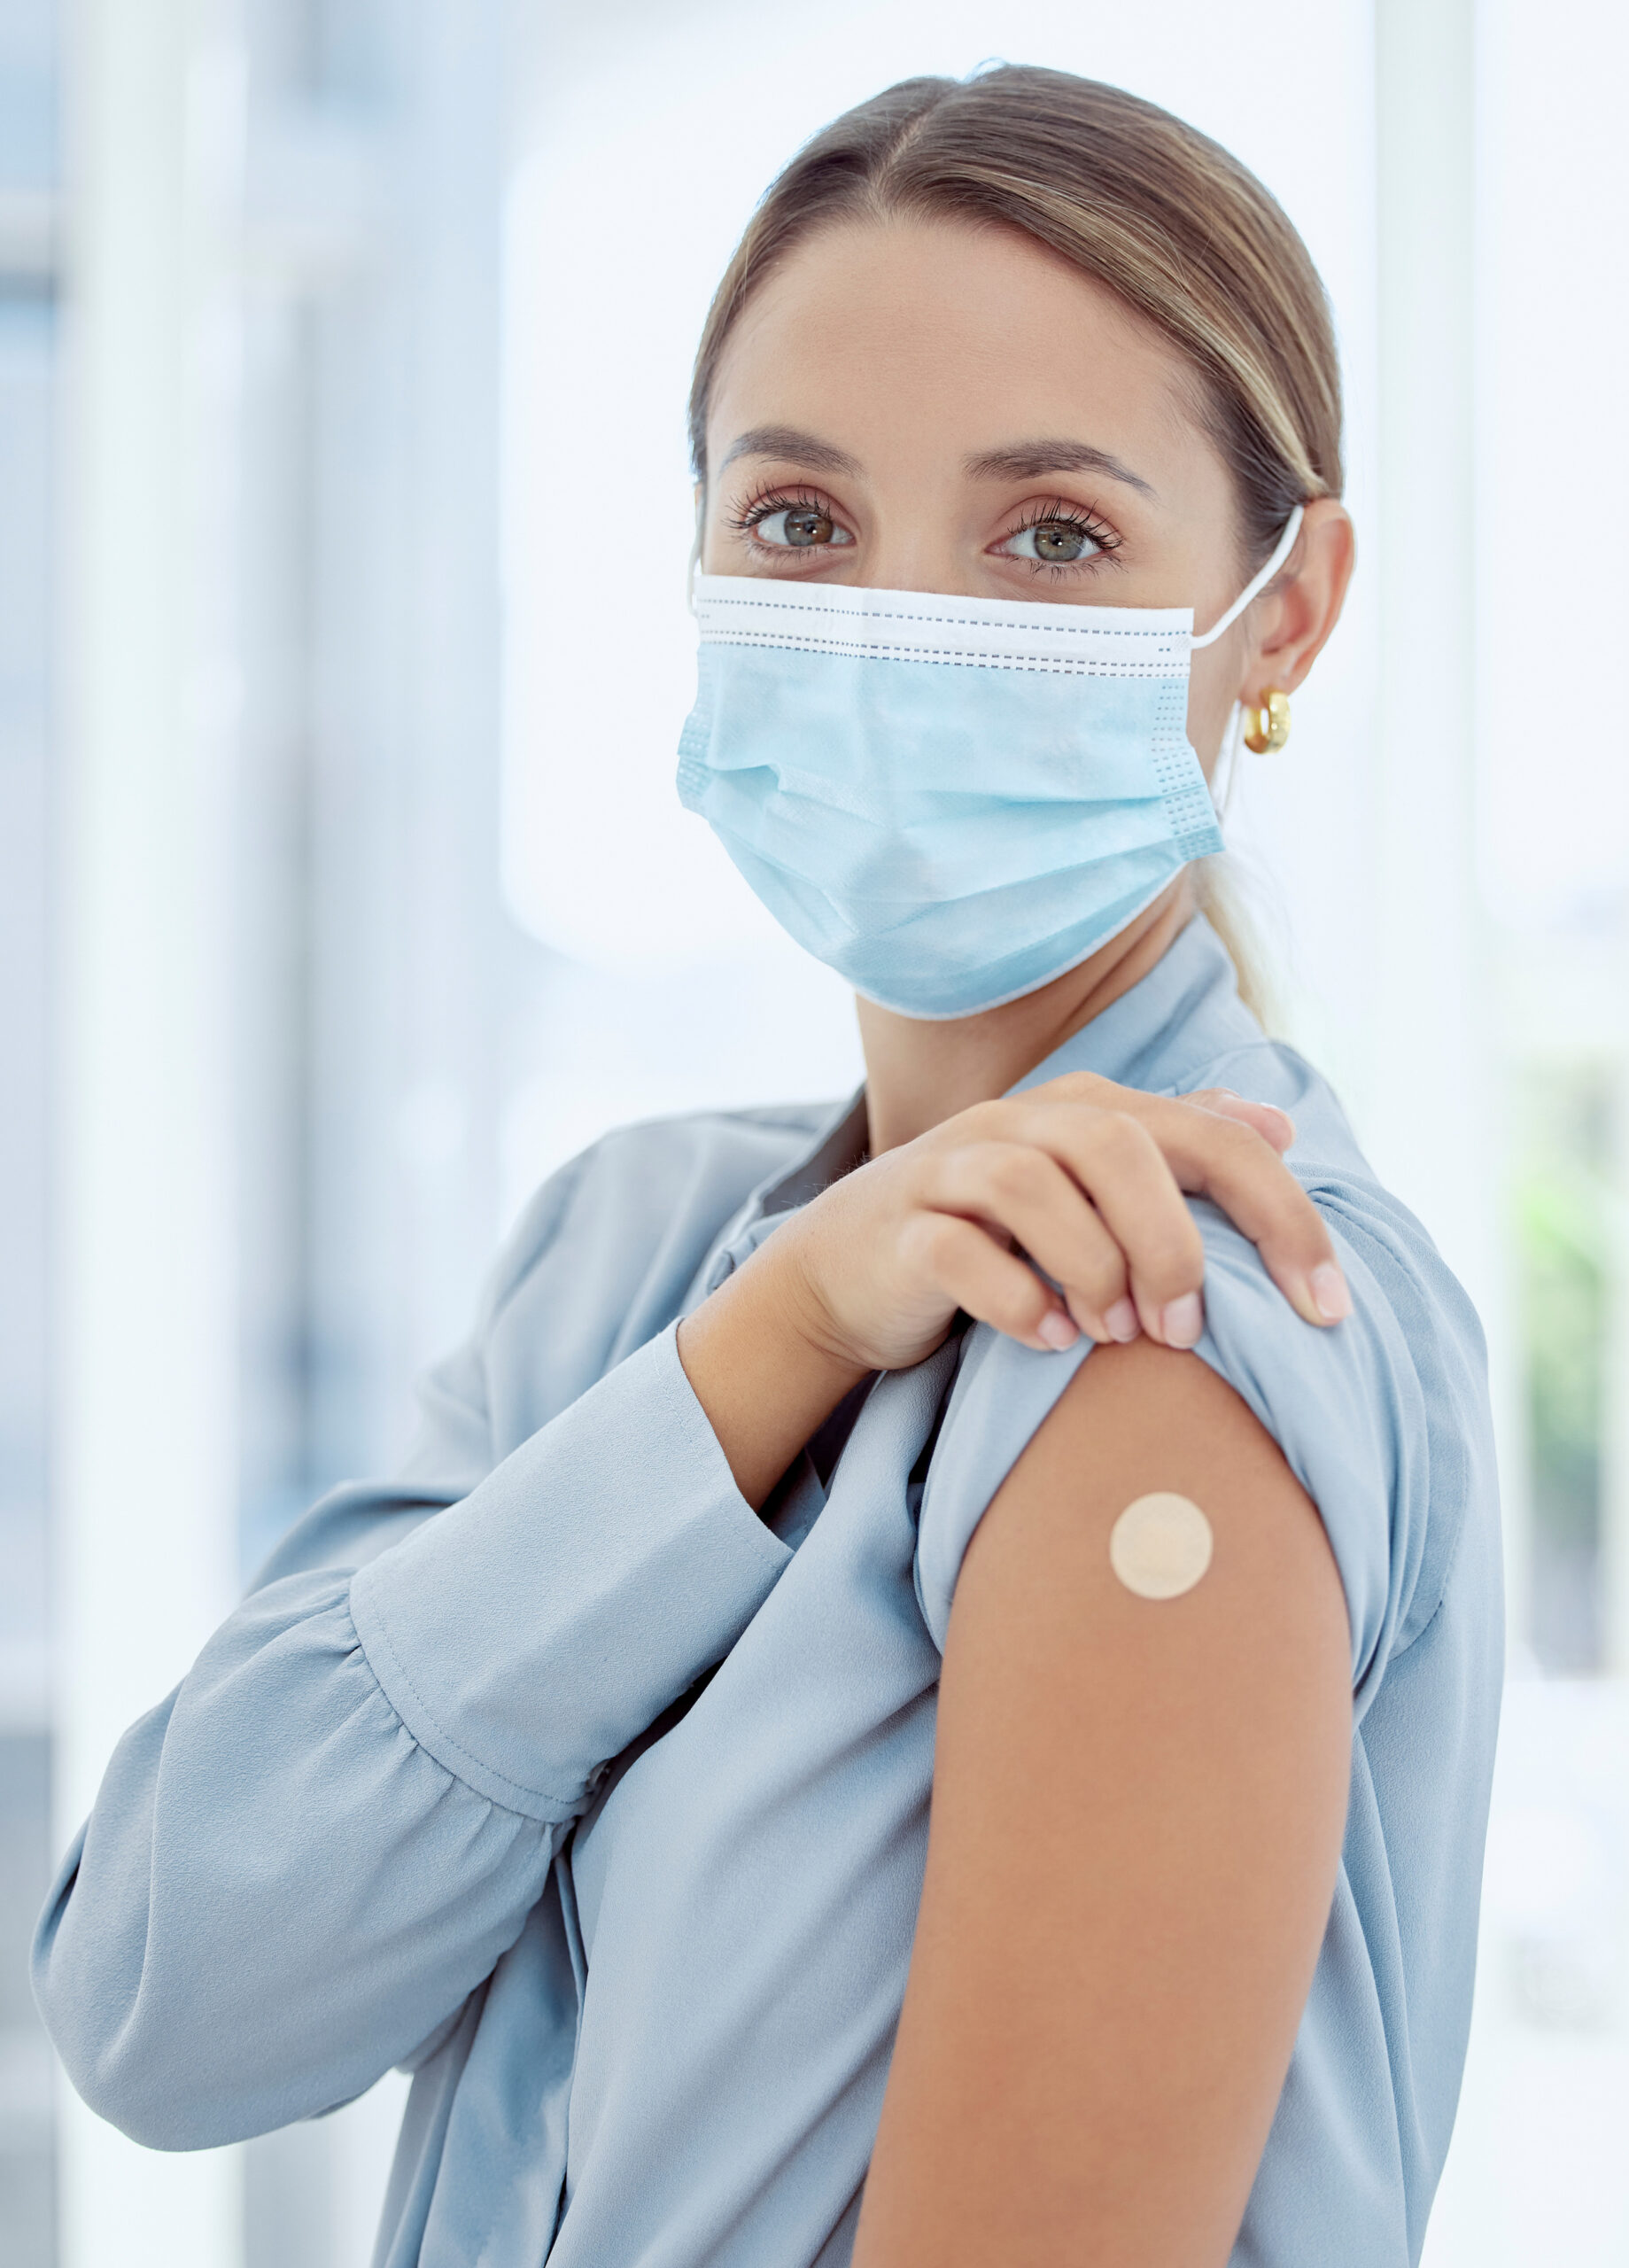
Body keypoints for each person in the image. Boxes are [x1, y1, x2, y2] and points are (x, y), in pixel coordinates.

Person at [34, 66, 1501, 2268]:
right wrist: (771, 1344)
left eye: (1052, 535)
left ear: (1279, 614)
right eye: (802, 520)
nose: (904, 623)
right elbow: (164, 2004)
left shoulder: (1164, 1319)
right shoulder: (625, 1260)